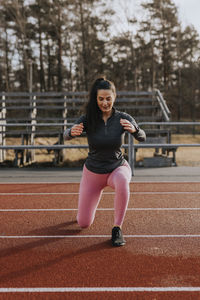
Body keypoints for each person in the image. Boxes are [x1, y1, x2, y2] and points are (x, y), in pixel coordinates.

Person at [64, 77, 146, 246]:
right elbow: (65, 136)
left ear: (114, 97)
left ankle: (117, 228)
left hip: (117, 168)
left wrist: (135, 130)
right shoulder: (88, 119)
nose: (105, 102)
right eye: (101, 98)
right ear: (96, 99)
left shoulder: (123, 118)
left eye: (108, 98)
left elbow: (142, 136)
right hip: (93, 174)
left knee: (123, 181)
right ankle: (85, 211)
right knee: (83, 223)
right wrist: (71, 132)